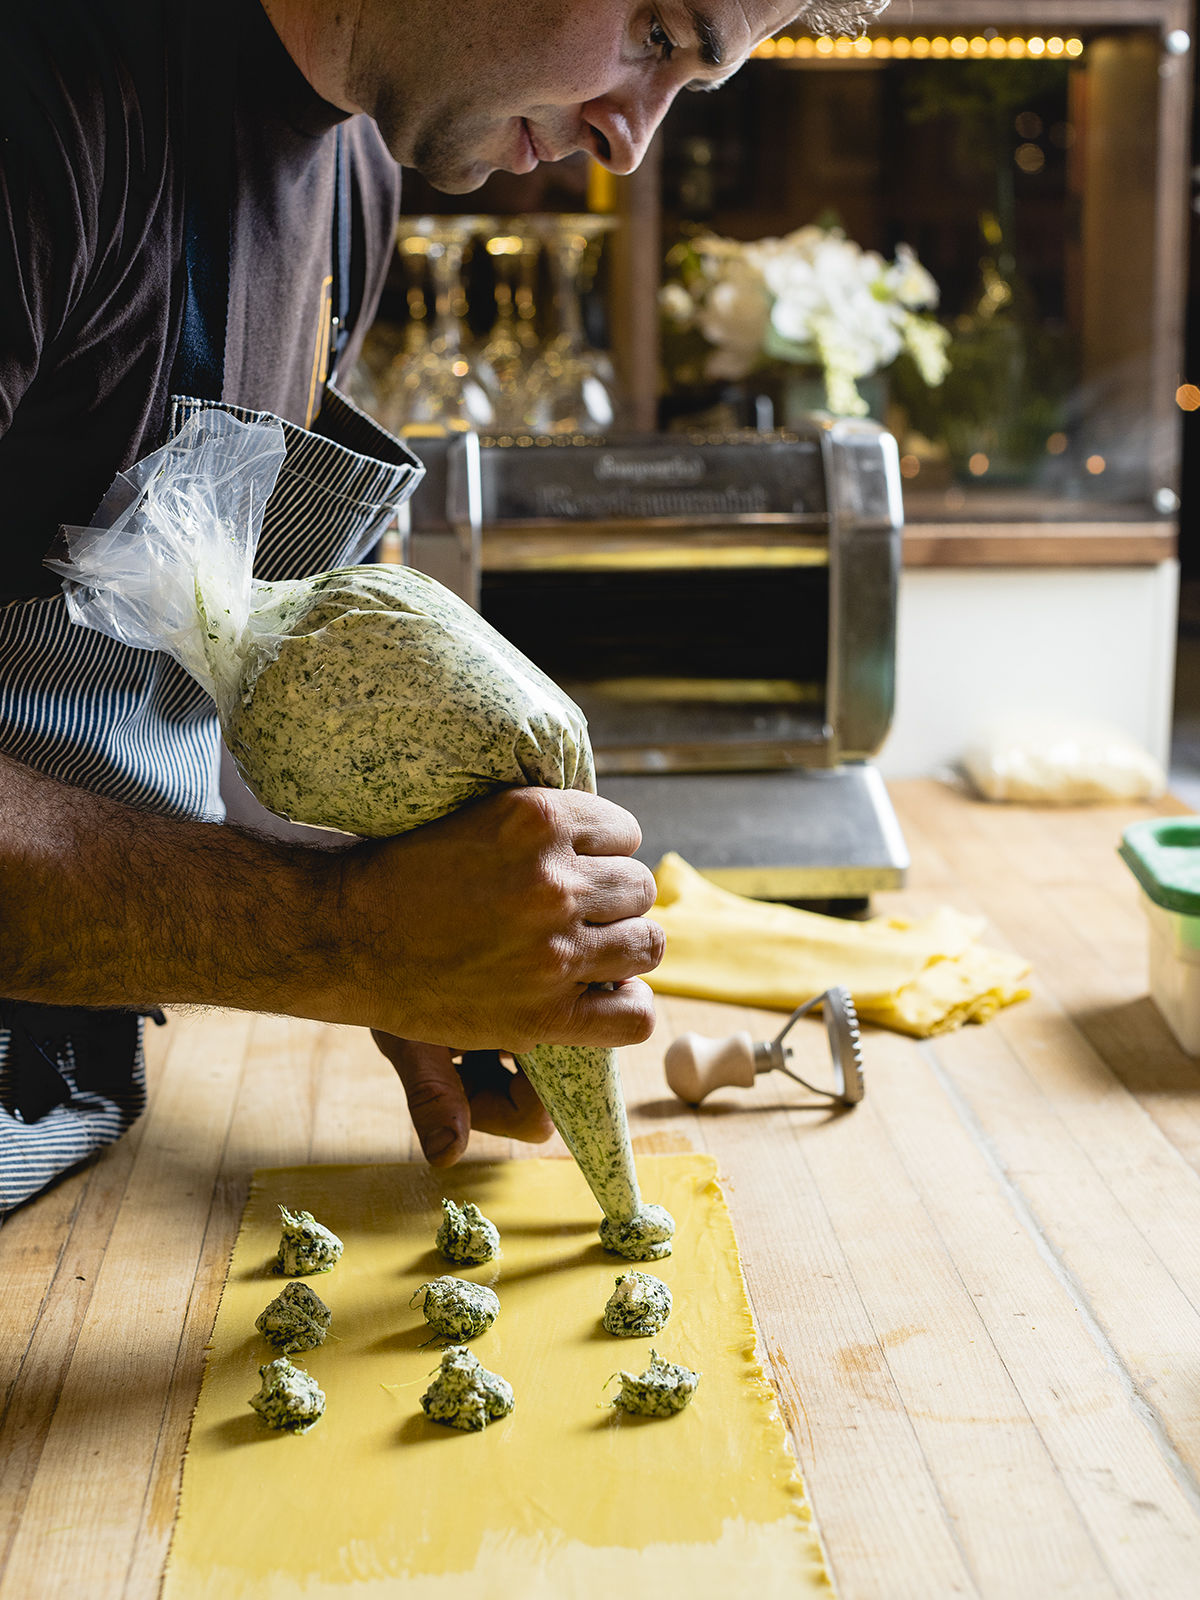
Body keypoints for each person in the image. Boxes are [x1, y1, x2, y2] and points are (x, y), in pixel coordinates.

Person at [0, 0, 888, 1212]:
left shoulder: (357, 173)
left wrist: (433, 908)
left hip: (71, 1101)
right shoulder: (44, 94)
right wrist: (340, 939)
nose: (635, 140)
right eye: (658, 31)